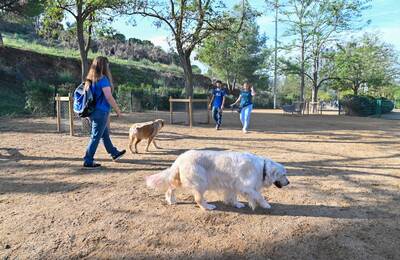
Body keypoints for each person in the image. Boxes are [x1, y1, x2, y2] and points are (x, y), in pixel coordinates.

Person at [83, 56, 126, 168]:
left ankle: (114, 153)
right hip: (101, 112)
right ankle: (88, 160)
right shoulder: (103, 79)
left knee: (104, 134)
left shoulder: (89, 80)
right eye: (107, 64)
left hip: (92, 112)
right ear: (103, 66)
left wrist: (88, 115)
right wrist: (118, 110)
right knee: (95, 136)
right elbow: (109, 97)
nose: (108, 67)